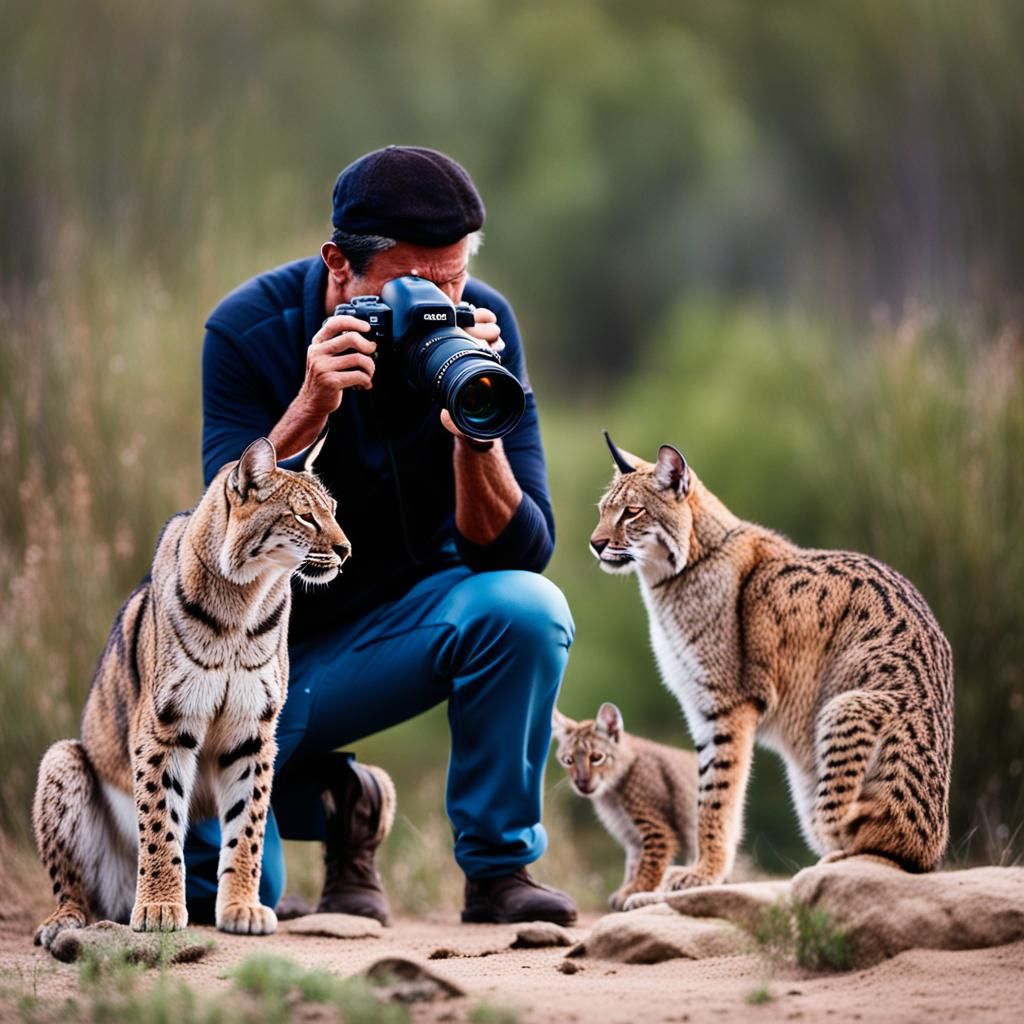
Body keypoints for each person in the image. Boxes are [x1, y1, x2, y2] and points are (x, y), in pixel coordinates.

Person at [193, 145, 577, 926]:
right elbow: (216, 556)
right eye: (413, 287)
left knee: (527, 608)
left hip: (412, 625)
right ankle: (341, 800)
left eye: (454, 279)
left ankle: (500, 870)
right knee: (225, 898)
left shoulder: (485, 329)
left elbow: (521, 553)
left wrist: (477, 436)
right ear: (341, 265)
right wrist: (307, 409)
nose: (438, 304)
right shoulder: (248, 331)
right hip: (264, 654)